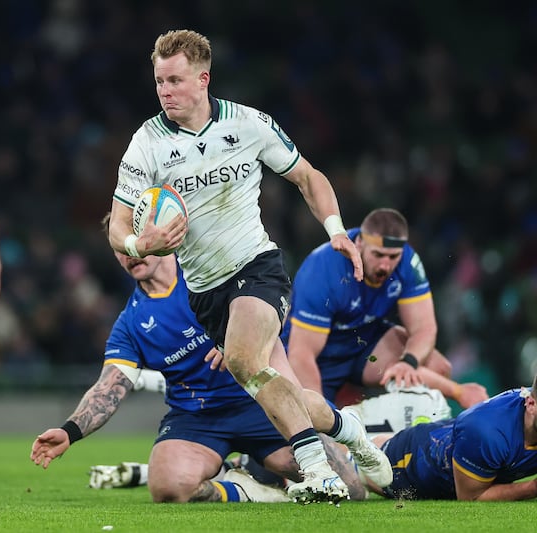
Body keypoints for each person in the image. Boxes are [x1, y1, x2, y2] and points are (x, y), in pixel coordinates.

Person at [106, 29, 380, 504]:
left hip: (257, 267)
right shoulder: (147, 143)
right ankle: (348, 427)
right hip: (205, 291)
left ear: (203, 79)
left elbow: (308, 177)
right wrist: (138, 241)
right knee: (281, 387)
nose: (165, 91)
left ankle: (318, 472)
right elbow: (118, 227)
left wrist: (336, 229)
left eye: (174, 80)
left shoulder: (248, 124)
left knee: (242, 359)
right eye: (158, 82)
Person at [31, 215, 378, 504]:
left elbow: (274, 300)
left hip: (260, 403)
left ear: (160, 233)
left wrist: (242, 340)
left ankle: (340, 433)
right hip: (197, 417)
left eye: (136, 239)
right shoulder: (130, 324)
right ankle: (246, 489)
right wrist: (69, 432)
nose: (129, 253)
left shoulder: (212, 271)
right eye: (120, 246)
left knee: (351, 491)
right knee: (167, 486)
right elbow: (109, 389)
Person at [280, 208, 488, 409]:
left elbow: (424, 329)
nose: (385, 266)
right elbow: (302, 355)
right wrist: (321, 419)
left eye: (392, 257)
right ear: (359, 243)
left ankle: (432, 418)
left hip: (363, 341)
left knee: (438, 367)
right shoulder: (323, 268)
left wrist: (408, 363)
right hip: (318, 354)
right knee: (316, 430)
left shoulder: (407, 261)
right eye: (378, 255)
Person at [363, 376, 537, 501]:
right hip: (403, 465)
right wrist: (532, 487)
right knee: (350, 476)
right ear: (530, 404)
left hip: (447, 437)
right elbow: (471, 497)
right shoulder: (488, 432)